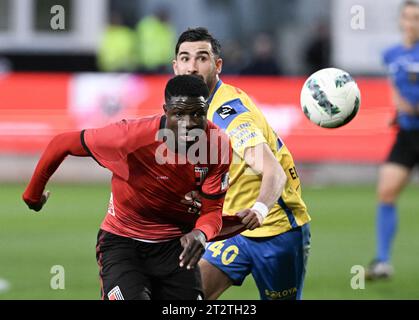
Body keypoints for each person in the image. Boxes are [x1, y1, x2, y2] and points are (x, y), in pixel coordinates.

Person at [22, 75, 240, 300]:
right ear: (166, 110)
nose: (190, 124)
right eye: (179, 114)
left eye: (197, 114)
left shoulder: (217, 144)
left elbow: (212, 211)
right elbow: (62, 143)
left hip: (176, 249)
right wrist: (33, 195)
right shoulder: (130, 137)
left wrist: (201, 234)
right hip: (123, 244)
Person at [173, 27, 311, 300]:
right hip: (230, 228)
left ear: (218, 65)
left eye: (201, 58)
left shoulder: (230, 115)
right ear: (175, 66)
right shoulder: (187, 111)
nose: (192, 67)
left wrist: (260, 208)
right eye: (185, 58)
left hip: (275, 228)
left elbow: (274, 172)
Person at [366, 0, 419, 280]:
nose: (412, 23)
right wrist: (398, 111)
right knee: (386, 192)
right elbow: (397, 89)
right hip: (408, 135)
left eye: (417, 18)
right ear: (401, 20)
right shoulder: (391, 54)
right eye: (408, 17)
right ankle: (383, 262)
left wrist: (408, 106)